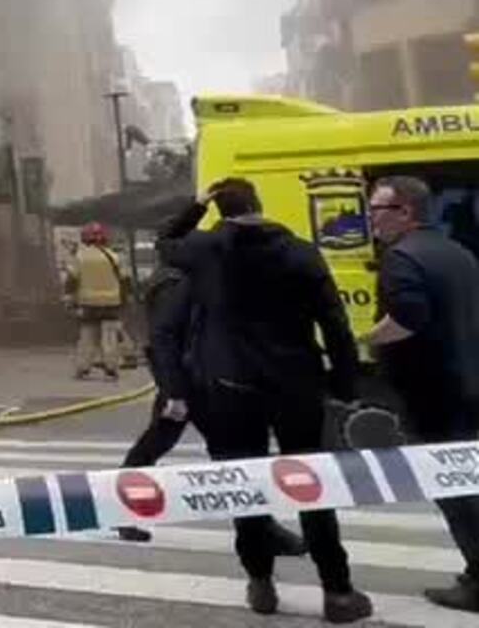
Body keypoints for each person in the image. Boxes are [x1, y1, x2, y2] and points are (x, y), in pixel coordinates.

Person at [157, 177, 372, 622]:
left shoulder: (206, 251)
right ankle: (338, 591)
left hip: (232, 388)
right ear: (260, 204)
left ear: (221, 210)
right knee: (312, 485)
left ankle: (261, 584)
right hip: (298, 385)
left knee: (244, 486)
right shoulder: (301, 252)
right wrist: (347, 386)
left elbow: (166, 240)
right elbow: (335, 324)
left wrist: (196, 205)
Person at [119, 197, 307, 555]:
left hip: (205, 378)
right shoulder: (176, 279)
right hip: (187, 381)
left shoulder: (194, 271)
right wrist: (174, 391)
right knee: (165, 447)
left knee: (225, 454)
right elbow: (164, 336)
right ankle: (122, 507)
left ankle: (261, 526)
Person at [365, 175, 479, 612]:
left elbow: (407, 317)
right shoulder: (459, 253)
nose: (371, 219)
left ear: (404, 213)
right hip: (467, 383)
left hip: (433, 393)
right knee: (468, 480)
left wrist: (365, 337)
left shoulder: (401, 257)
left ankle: (478, 580)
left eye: (377, 210)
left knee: (454, 489)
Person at [66, 223, 125, 380]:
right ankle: (111, 369)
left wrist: (69, 299)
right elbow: (124, 280)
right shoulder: (114, 256)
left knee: (87, 337)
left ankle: (83, 369)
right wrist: (124, 300)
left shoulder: (79, 257)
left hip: (88, 303)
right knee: (109, 337)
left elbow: (71, 279)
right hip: (111, 303)